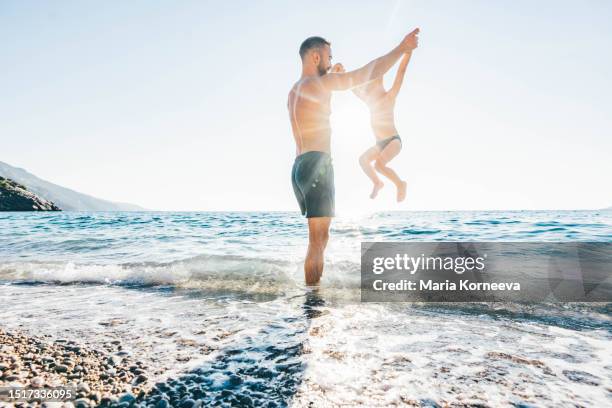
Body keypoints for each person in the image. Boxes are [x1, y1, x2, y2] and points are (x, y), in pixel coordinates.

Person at [288, 28, 420, 285]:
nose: (330, 61)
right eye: (328, 56)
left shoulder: (294, 90)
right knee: (317, 243)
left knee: (319, 240)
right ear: (315, 57)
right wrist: (402, 48)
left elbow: (327, 95)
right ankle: (313, 303)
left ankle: (311, 294)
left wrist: (335, 75)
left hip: (299, 167)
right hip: (317, 165)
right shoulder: (319, 83)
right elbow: (368, 73)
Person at [350, 51, 414, 201]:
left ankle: (400, 184)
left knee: (379, 165)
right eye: (369, 86)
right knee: (363, 160)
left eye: (374, 84)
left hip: (393, 141)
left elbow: (401, 73)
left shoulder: (389, 97)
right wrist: (340, 71)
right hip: (380, 144)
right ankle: (377, 182)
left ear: (381, 84)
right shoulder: (369, 100)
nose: (370, 89)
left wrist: (407, 52)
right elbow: (352, 88)